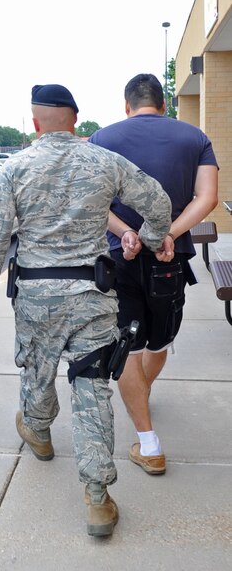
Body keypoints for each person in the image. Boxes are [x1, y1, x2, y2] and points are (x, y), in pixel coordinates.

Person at [0, 83, 172, 537]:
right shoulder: (104, 162)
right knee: (92, 387)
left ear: (35, 123)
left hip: (36, 297)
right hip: (92, 295)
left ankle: (37, 431)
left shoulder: (15, 168)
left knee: (37, 370)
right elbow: (158, 201)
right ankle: (97, 498)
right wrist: (153, 240)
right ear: (75, 119)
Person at [89, 73, 218, 475]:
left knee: (127, 341)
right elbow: (208, 197)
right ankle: (143, 401)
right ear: (163, 104)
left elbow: (93, 200)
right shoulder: (194, 138)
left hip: (121, 258)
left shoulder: (102, 139)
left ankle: (149, 443)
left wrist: (127, 232)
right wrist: (169, 233)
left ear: (128, 105)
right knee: (159, 341)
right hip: (170, 259)